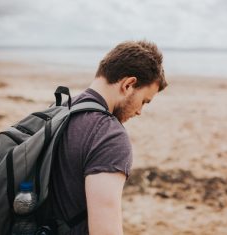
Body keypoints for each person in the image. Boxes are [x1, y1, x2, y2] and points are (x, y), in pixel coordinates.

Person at [50, 40, 167, 234]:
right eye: (144, 101)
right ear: (128, 84)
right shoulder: (109, 136)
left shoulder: (60, 111)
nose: (139, 111)